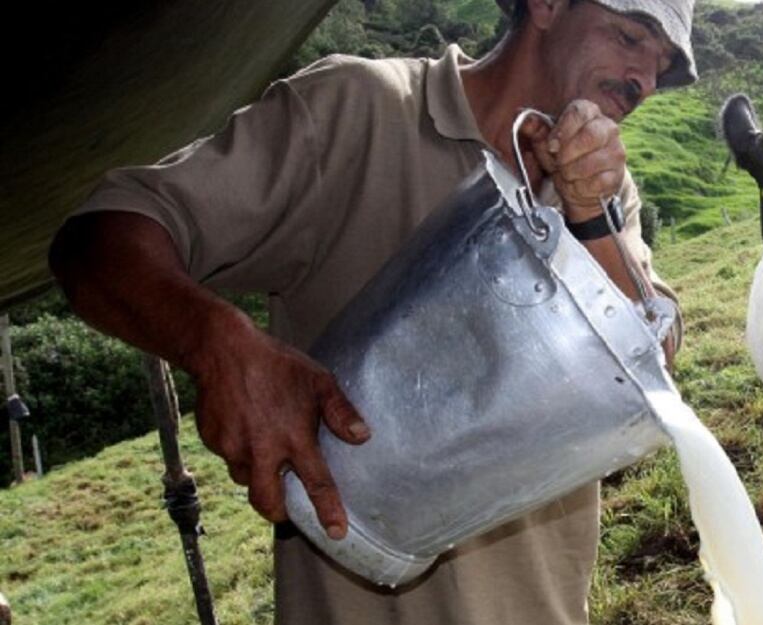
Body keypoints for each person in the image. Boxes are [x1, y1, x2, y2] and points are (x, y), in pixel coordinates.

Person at [49, 0, 696, 622]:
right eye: (630, 36)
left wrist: (590, 216)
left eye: (662, 63)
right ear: (547, 4)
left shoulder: (605, 195)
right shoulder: (358, 111)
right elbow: (99, 240)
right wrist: (220, 343)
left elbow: (651, 365)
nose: (644, 77)